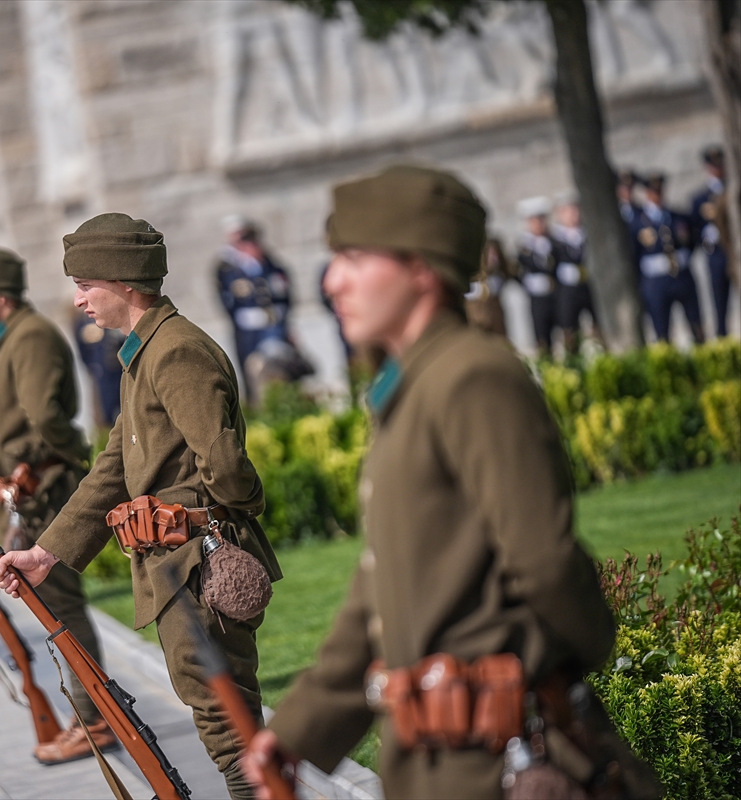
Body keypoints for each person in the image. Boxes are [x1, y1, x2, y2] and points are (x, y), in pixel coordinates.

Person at [245, 164, 641, 799]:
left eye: (352, 257)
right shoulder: (412, 387)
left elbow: (543, 562)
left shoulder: (473, 377)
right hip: (434, 761)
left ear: (421, 268)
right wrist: (298, 732)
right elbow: (381, 587)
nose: (332, 280)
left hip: (502, 758)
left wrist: (578, 661)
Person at [0, 213, 281, 800]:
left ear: (124, 283)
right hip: (176, 564)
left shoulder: (175, 353)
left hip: (197, 563)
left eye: (86, 286)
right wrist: (47, 553)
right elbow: (113, 469)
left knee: (226, 718)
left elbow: (223, 466)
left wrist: (227, 517)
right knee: (215, 709)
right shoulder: (144, 354)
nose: (78, 301)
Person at [0, 247, 115, 764]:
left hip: (40, 490)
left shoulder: (30, 337)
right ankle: (90, 714)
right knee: (53, 605)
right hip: (21, 490)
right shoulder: (7, 338)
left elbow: (44, 419)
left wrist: (61, 457)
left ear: (1, 296)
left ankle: (96, 718)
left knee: (61, 605)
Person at [214, 215, 295, 404]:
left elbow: (284, 292)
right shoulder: (227, 267)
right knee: (254, 374)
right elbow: (228, 302)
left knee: (282, 371)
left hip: (276, 326)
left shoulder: (269, 263)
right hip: (249, 332)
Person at [633, 172, 705, 343]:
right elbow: (633, 253)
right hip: (657, 281)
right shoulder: (637, 223)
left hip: (681, 276)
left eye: (659, 191)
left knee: (696, 324)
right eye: (653, 192)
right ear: (647, 194)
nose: (657, 196)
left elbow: (692, 241)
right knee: (662, 330)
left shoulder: (677, 217)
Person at [688, 145, 733, 338]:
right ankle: (723, 338)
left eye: (719, 164)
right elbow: (693, 229)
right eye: (713, 165)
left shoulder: (733, 190)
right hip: (715, 254)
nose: (717, 168)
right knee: (719, 302)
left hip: (734, 252)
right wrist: (705, 239)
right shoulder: (700, 198)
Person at [550, 193, 602, 354]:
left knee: (597, 324)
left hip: (589, 285)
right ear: (560, 214)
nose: (574, 215)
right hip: (567, 290)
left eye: (576, 210)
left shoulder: (588, 234)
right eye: (568, 211)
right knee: (569, 328)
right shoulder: (555, 240)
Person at [516, 197, 558, 357]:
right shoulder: (524, 246)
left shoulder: (553, 242)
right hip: (537, 297)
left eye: (541, 219)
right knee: (542, 336)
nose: (538, 224)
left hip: (555, 293)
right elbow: (518, 271)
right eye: (534, 220)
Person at [71, 306, 125, 431]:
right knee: (104, 419)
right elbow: (84, 353)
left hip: (120, 376)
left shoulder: (117, 320)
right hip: (101, 378)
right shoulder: (84, 323)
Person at [464, 237, 511, 337]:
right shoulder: (471, 277)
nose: (493, 258)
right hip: (476, 318)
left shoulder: (497, 277)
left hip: (494, 317)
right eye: (490, 254)